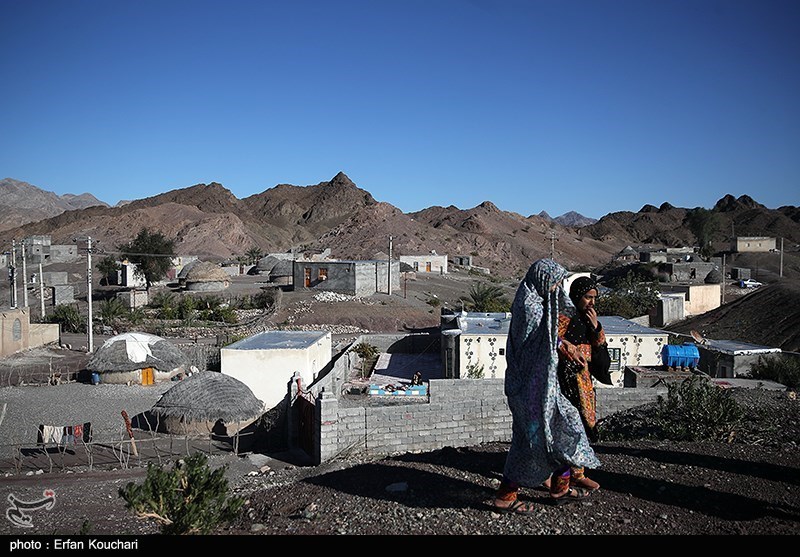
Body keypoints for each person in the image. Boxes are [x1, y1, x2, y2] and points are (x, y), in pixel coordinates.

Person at [491, 259, 600, 514]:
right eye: (554, 284)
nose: (556, 290)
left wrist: (566, 344)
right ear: (542, 281)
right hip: (530, 389)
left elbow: (556, 325)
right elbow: (537, 343)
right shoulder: (530, 307)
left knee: (563, 426)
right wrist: (563, 346)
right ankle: (506, 496)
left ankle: (560, 488)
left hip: (543, 387)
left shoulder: (538, 301)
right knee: (531, 442)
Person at [555, 276, 613, 493]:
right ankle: (560, 481)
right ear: (577, 296)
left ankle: (578, 473)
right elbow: (554, 344)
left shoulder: (591, 321)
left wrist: (596, 328)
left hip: (582, 382)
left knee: (582, 426)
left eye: (594, 298)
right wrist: (571, 350)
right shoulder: (563, 318)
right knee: (566, 428)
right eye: (588, 297)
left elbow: (601, 356)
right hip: (563, 381)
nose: (592, 303)